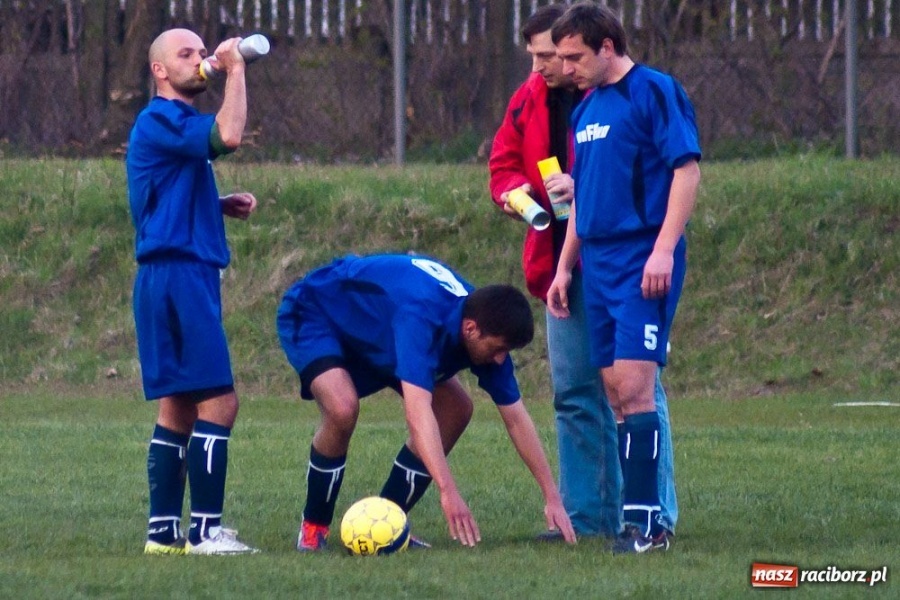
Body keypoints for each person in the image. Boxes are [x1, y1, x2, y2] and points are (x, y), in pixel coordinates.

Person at [489, 4, 678, 540]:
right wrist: (513, 194)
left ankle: (651, 513)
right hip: (562, 265)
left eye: (552, 55)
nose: (545, 68)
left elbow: (674, 169)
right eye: (537, 58)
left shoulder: (633, 93)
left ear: (590, 47)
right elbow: (502, 164)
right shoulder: (534, 101)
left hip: (625, 260)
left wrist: (659, 245)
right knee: (576, 392)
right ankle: (589, 516)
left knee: (637, 389)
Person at [276, 253, 576, 551]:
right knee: (342, 408)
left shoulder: (482, 321)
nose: (500, 359)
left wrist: (552, 496)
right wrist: (448, 491)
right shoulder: (420, 318)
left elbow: (516, 418)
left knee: (456, 409)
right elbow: (417, 413)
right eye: (498, 349)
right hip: (318, 311)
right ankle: (312, 529)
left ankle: (385, 524)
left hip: (379, 329)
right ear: (470, 329)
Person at [547, 2, 701, 554]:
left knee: (636, 389)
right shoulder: (584, 111)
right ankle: (635, 520)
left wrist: (663, 249)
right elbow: (585, 201)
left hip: (643, 261)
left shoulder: (654, 90)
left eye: (575, 56)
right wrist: (566, 267)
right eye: (561, 57)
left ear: (607, 47)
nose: (566, 68)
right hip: (599, 265)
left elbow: (687, 169)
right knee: (614, 393)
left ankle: (647, 525)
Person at [126, 28, 259, 555]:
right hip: (178, 275)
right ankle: (205, 532)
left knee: (178, 407)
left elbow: (160, 190)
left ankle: (163, 535)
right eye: (187, 54)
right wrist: (237, 70)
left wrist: (215, 202)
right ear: (160, 71)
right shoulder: (162, 117)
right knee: (220, 403)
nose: (200, 61)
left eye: (203, 53)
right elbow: (226, 136)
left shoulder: (169, 125)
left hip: (174, 274)